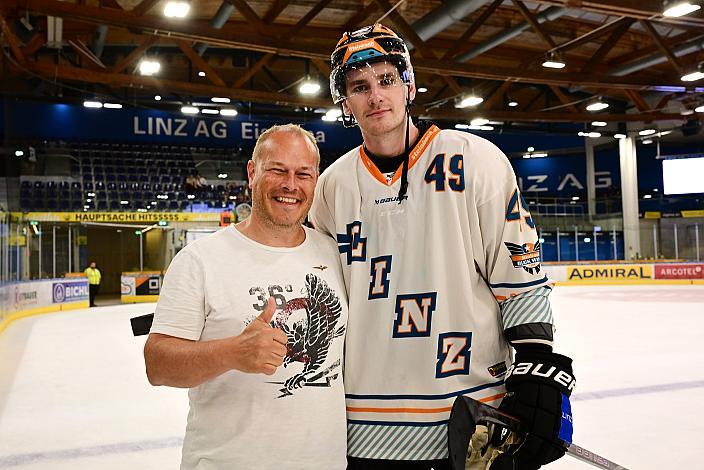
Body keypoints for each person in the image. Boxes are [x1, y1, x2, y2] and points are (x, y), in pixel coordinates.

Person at [309, 24, 575, 470]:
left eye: (386, 80)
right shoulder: (332, 185)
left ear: (409, 84)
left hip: (469, 420)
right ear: (345, 101)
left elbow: (519, 269)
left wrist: (536, 367)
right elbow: (321, 294)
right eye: (359, 87)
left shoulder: (477, 159)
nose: (375, 96)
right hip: (361, 424)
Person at [144, 124, 349, 470]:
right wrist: (232, 352)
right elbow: (157, 364)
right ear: (252, 173)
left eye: (303, 174)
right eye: (277, 170)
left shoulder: (334, 255)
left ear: (316, 180)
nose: (290, 185)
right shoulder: (200, 260)